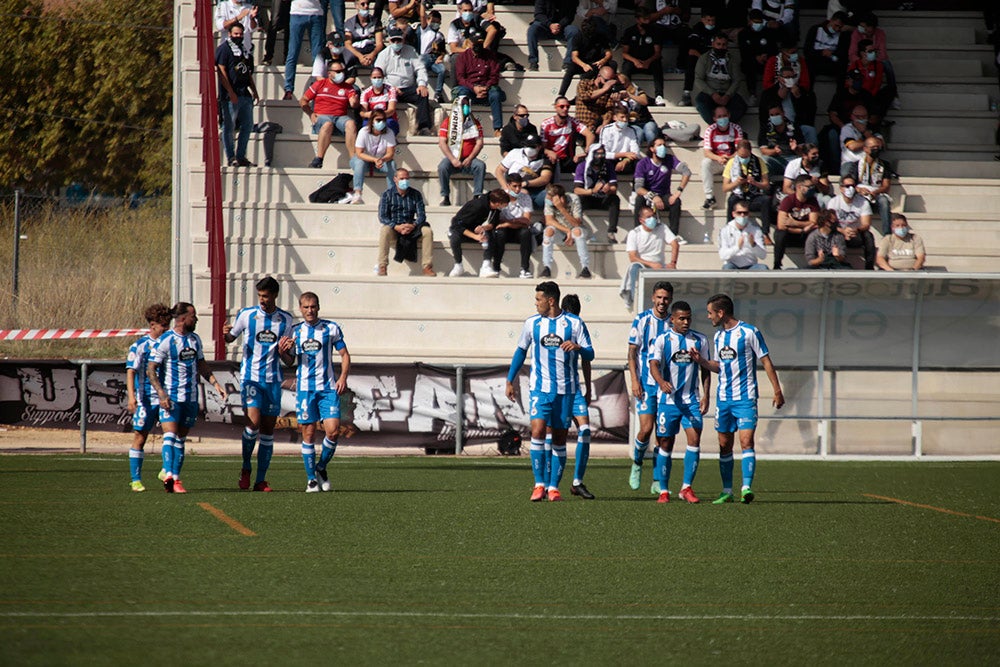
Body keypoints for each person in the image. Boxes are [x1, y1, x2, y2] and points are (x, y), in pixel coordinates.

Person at [689, 293, 784, 504]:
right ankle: (727, 491)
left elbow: (766, 361)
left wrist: (777, 390)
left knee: (746, 441)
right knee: (724, 445)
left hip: (746, 398)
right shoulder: (719, 337)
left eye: (710, 313)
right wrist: (702, 361)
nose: (709, 317)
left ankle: (746, 488)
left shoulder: (749, 332)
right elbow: (719, 367)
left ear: (721, 313)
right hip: (724, 399)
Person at [505, 281, 595, 502]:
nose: (536, 304)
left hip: (566, 391)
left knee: (559, 439)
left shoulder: (574, 324)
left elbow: (591, 354)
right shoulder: (532, 324)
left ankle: (554, 487)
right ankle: (539, 484)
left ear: (550, 300)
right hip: (540, 389)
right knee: (537, 431)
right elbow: (520, 351)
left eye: (538, 299)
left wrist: (579, 348)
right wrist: (510, 379)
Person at [222, 276, 294, 492]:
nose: (262, 300)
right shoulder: (247, 315)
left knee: (268, 430)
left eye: (265, 296)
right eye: (260, 296)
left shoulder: (286, 320)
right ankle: (246, 468)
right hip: (251, 377)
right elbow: (230, 338)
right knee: (252, 423)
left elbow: (290, 359)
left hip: (273, 380)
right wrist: (225, 334)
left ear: (274, 295)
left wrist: (284, 352)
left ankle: (260, 480)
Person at [147, 303, 228, 493]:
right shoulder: (166, 340)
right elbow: (151, 369)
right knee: (169, 436)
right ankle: (169, 475)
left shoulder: (194, 340)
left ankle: (175, 478)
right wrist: (161, 393)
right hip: (172, 398)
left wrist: (216, 384)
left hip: (190, 398)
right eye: (194, 316)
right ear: (183, 318)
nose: (197, 319)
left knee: (181, 440)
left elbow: (201, 364)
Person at [280, 292, 351, 492]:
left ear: (318, 307)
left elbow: (345, 354)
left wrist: (343, 377)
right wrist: (283, 352)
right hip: (305, 390)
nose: (310, 310)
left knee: (333, 431)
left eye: (313, 307)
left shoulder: (331, 328)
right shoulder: (294, 332)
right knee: (308, 434)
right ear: (300, 309)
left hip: (327, 388)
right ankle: (311, 479)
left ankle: (320, 468)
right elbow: (289, 361)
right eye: (306, 307)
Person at [648, 301, 710, 504]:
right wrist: (661, 382)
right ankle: (664, 490)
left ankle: (686, 488)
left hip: (691, 401)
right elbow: (654, 364)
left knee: (694, 440)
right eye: (681, 318)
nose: (686, 322)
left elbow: (706, 369)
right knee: (665, 442)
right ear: (672, 319)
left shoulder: (699, 339)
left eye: (688, 318)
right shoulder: (662, 340)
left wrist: (706, 395)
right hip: (668, 400)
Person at [626, 281, 674, 493]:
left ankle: (656, 480)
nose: (662, 302)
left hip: (667, 387)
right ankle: (637, 463)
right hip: (646, 384)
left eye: (666, 298)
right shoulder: (642, 320)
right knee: (646, 429)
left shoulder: (674, 323)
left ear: (670, 299)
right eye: (659, 297)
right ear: (653, 298)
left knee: (663, 435)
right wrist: (634, 380)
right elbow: (632, 352)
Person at [125, 303, 172, 492]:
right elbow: (130, 371)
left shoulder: (169, 341)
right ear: (153, 325)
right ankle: (135, 479)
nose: (166, 328)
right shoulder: (140, 345)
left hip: (166, 398)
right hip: (146, 399)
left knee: (170, 434)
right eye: (163, 325)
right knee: (140, 437)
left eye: (168, 324)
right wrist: (131, 397)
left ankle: (166, 470)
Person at [559, 293, 595, 499]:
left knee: (585, 430)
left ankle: (577, 482)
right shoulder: (548, 326)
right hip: (553, 392)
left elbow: (587, 359)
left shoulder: (577, 327)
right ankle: (547, 483)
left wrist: (588, 388)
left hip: (574, 391)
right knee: (553, 435)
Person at [374, 26, 433, 136]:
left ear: (403, 39)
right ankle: (381, 124)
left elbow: (420, 69)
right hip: (389, 89)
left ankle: (423, 127)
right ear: (389, 40)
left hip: (407, 89)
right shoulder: (383, 54)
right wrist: (390, 88)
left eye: (399, 40)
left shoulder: (411, 51)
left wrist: (421, 84)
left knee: (423, 94)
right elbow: (377, 74)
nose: (396, 42)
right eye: (393, 40)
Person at [216, 23, 260, 168]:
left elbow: (247, 72)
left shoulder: (244, 51)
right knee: (229, 126)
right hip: (230, 96)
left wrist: (254, 90)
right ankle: (231, 157)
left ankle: (241, 156)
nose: (238, 37)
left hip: (244, 94)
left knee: (247, 126)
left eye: (240, 34)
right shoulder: (224, 49)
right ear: (229, 34)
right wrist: (230, 92)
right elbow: (221, 71)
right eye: (236, 34)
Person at [300, 61, 359, 168]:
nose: (341, 73)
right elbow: (303, 100)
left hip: (340, 117)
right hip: (322, 116)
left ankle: (353, 160)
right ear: (329, 73)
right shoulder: (320, 84)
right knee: (327, 124)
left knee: (351, 124)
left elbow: (353, 103)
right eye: (337, 71)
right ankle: (319, 158)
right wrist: (311, 114)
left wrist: (354, 102)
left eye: (342, 71)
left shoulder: (348, 87)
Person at [377, 168, 435, 276]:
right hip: (394, 228)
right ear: (395, 179)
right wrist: (396, 226)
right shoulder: (387, 194)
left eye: (407, 178)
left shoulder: (416, 194)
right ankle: (382, 266)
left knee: (427, 231)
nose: (405, 181)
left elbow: (421, 215)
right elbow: (382, 216)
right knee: (384, 230)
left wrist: (413, 225)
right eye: (402, 178)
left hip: (411, 226)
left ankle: (427, 266)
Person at [620, 209, 679, 310]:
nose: (652, 219)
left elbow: (675, 244)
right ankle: (629, 296)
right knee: (633, 267)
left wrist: (673, 263)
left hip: (660, 265)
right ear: (641, 220)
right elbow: (632, 257)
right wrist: (651, 264)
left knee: (674, 272)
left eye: (653, 216)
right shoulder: (634, 233)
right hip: (642, 264)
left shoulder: (662, 228)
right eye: (648, 217)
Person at [633, 138, 691, 237]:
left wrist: (678, 191)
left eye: (664, 145)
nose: (663, 147)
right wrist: (653, 196)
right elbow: (638, 187)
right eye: (659, 145)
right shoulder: (643, 163)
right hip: (648, 195)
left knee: (676, 202)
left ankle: (673, 234)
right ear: (652, 148)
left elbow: (686, 172)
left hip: (664, 195)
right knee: (639, 200)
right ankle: (637, 233)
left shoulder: (670, 159)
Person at [453, 28, 506, 136]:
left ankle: (497, 129)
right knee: (462, 94)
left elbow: (494, 76)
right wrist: (474, 88)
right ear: (470, 42)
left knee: (495, 94)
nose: (477, 45)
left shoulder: (490, 56)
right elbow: (461, 78)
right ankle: (464, 124)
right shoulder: (462, 57)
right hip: (469, 88)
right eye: (475, 43)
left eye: (480, 42)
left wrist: (485, 87)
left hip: (486, 88)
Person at [447, 189, 509, 277]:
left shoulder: (494, 210)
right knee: (455, 237)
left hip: (476, 230)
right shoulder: (477, 206)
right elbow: (456, 224)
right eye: (503, 205)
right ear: (497, 203)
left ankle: (486, 266)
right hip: (462, 230)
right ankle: (458, 264)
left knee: (491, 234)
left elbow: (493, 223)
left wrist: (484, 227)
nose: (504, 207)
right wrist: (475, 236)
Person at [437, 95, 486, 207]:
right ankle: (445, 196)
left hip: (469, 160)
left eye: (466, 104)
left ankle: (477, 195)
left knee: (480, 166)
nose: (465, 107)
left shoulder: (475, 122)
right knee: (442, 167)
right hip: (453, 158)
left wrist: (470, 158)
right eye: (462, 105)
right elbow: (442, 143)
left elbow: (479, 143)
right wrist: (453, 159)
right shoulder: (448, 122)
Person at [692, 33, 749, 125]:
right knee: (701, 103)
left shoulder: (732, 60)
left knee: (741, 106)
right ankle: (714, 127)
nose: (721, 47)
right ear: (713, 44)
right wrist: (713, 94)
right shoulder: (704, 58)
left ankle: (727, 127)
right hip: (709, 93)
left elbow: (737, 80)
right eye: (718, 44)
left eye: (724, 44)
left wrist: (728, 95)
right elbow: (698, 79)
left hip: (727, 92)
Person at [541, 183, 592, 280]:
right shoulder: (548, 202)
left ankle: (585, 268)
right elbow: (549, 221)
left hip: (577, 229)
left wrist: (561, 208)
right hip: (561, 230)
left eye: (551, 198)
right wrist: (567, 230)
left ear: (560, 198)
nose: (549, 201)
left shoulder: (574, 199)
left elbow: (577, 223)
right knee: (548, 231)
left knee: (577, 232)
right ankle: (547, 267)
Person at [721, 139, 772, 234]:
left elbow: (766, 186)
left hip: (753, 195)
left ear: (750, 152)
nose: (744, 158)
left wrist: (755, 182)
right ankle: (730, 231)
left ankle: (765, 233)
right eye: (741, 156)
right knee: (731, 200)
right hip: (738, 196)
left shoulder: (759, 161)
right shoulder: (731, 163)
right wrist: (737, 182)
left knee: (766, 200)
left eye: (746, 156)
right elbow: (725, 188)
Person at [573, 143, 620, 246]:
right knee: (577, 199)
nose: (600, 157)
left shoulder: (608, 166)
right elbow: (577, 190)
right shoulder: (582, 166)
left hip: (602, 198)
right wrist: (592, 191)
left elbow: (614, 187)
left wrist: (608, 189)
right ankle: (577, 229)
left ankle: (611, 232)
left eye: (602, 154)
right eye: (597, 154)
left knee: (615, 199)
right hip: (588, 198)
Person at [826, 174, 875, 269]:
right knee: (832, 234)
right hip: (838, 233)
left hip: (855, 234)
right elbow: (829, 224)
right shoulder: (834, 202)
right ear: (841, 188)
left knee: (868, 235)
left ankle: (869, 267)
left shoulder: (863, 202)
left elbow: (866, 224)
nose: (850, 188)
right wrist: (842, 231)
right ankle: (834, 264)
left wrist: (856, 229)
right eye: (847, 186)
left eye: (853, 186)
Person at [495, 133, 555, 211]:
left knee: (552, 196)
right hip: (513, 189)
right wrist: (506, 188)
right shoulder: (514, 153)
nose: (528, 148)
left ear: (539, 147)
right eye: (526, 145)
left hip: (535, 193)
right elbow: (499, 170)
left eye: (532, 146)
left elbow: (545, 178)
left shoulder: (544, 159)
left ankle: (543, 221)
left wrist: (527, 183)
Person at [701, 106, 744, 210]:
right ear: (714, 118)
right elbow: (707, 152)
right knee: (705, 163)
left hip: (732, 161)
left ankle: (737, 196)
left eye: (724, 115)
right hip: (717, 161)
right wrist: (719, 158)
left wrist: (729, 157)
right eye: (719, 116)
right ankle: (710, 198)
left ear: (729, 115)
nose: (722, 118)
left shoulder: (736, 128)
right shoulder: (710, 130)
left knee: (740, 161)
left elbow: (740, 151)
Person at [492, 175, 536, 279]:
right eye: (514, 186)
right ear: (508, 185)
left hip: (519, 230)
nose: (517, 189)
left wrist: (509, 222)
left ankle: (524, 269)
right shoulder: (501, 197)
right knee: (500, 232)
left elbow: (526, 221)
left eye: (519, 186)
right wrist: (517, 220)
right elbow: (498, 220)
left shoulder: (525, 197)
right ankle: (496, 267)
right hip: (504, 230)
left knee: (526, 233)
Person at [349, 109, 396, 204]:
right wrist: (374, 159)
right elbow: (359, 153)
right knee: (359, 162)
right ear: (372, 121)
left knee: (392, 165)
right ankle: (357, 193)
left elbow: (390, 153)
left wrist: (382, 159)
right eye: (378, 120)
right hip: (365, 160)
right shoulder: (363, 131)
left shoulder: (389, 132)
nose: (381, 122)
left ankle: (393, 194)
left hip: (380, 161)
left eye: (383, 120)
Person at [846, 136, 892, 234]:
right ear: (865, 149)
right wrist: (860, 190)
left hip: (876, 195)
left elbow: (886, 186)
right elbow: (851, 183)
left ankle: (887, 235)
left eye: (877, 147)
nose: (876, 149)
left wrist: (875, 192)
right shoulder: (856, 165)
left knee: (884, 201)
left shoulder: (885, 165)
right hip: (861, 195)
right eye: (873, 147)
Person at [559, 17, 614, 98]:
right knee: (570, 70)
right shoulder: (578, 37)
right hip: (581, 62)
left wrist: (603, 60)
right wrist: (583, 65)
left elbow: (609, 53)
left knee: (589, 74)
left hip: (595, 62)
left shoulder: (601, 37)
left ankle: (579, 96)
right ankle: (561, 94)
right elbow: (574, 57)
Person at [540, 96, 595, 176]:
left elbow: (590, 135)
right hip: (552, 159)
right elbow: (542, 147)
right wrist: (549, 152)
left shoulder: (573, 121)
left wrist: (587, 152)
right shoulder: (546, 124)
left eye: (567, 106)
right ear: (555, 107)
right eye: (562, 106)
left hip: (568, 159)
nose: (565, 109)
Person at [774, 173, 820, 269]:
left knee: (817, 232)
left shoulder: (813, 201)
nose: (811, 189)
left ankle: (815, 263)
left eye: (812, 186)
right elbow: (781, 225)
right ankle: (777, 264)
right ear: (799, 187)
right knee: (780, 233)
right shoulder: (788, 200)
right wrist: (801, 229)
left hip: (804, 234)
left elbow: (814, 222)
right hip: (790, 234)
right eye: (809, 186)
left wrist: (796, 223)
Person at [621, 8, 666, 106]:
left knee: (657, 65)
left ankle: (659, 96)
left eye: (648, 19)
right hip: (634, 63)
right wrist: (635, 61)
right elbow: (624, 53)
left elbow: (657, 52)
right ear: (638, 19)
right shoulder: (629, 32)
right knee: (626, 66)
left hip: (649, 63)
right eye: (644, 19)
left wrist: (648, 62)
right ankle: (625, 93)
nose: (647, 21)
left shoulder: (655, 31)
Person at [283, 0, 326, 100]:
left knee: (318, 55)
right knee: (293, 53)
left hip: (316, 13)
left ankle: (317, 86)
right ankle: (288, 89)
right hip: (297, 12)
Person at [526, 0, 581, 72]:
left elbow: (570, 16)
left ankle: (568, 63)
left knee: (574, 31)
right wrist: (550, 25)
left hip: (562, 28)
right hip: (544, 26)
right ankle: (533, 62)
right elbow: (538, 14)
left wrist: (559, 25)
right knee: (532, 30)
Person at [738, 9, 781, 101]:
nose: (758, 24)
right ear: (750, 21)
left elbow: (774, 50)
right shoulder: (743, 34)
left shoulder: (768, 32)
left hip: (766, 60)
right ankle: (752, 93)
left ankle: (772, 93)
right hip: (751, 61)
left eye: (760, 22)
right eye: (756, 22)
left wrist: (766, 56)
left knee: (775, 64)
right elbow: (744, 52)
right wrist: (755, 57)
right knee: (748, 65)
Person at [678, 9, 718, 107]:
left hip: (715, 59)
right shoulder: (697, 30)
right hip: (701, 59)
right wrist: (704, 59)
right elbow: (692, 51)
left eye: (713, 20)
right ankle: (686, 94)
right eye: (708, 20)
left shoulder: (717, 31)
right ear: (703, 20)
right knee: (691, 60)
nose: (711, 23)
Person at [573, 65, 623, 135]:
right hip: (582, 124)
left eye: (610, 81)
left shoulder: (609, 91)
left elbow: (609, 110)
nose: (607, 84)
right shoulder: (584, 83)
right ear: (599, 76)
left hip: (596, 125)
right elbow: (584, 96)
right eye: (606, 80)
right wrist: (603, 89)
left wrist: (603, 125)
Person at [719, 201, 769, 270]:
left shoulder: (756, 230)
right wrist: (737, 247)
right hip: (733, 265)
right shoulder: (725, 230)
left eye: (745, 213)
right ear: (733, 214)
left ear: (748, 214)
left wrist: (754, 245)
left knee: (763, 268)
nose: (742, 215)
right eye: (739, 213)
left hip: (751, 265)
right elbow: (723, 255)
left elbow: (763, 255)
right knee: (727, 268)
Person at [780, 142, 831, 207]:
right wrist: (800, 195)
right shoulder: (793, 164)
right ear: (804, 155)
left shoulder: (821, 165)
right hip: (797, 195)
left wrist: (817, 183)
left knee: (826, 199)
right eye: (813, 154)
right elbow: (786, 188)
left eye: (817, 153)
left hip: (815, 195)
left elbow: (826, 190)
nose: (817, 156)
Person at [758, 104, 803, 175]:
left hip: (792, 159)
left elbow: (802, 152)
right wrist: (774, 151)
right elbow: (763, 150)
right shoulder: (766, 128)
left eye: (777, 114)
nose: (775, 117)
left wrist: (795, 148)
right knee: (764, 160)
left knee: (802, 163)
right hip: (775, 159)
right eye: (772, 115)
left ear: (783, 113)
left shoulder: (794, 127)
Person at [804, 11, 848, 80]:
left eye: (840, 27)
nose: (837, 29)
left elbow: (843, 53)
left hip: (831, 62)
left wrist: (832, 54)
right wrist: (822, 52)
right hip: (815, 60)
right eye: (836, 25)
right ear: (831, 20)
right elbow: (807, 50)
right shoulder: (815, 29)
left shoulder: (842, 35)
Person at [598, 107, 641, 176]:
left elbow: (636, 153)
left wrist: (625, 161)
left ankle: (637, 186)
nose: (625, 120)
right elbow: (604, 153)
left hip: (626, 160)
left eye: (626, 117)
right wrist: (624, 154)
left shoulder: (631, 130)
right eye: (622, 117)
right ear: (615, 117)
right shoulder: (606, 130)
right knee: (603, 162)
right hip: (611, 159)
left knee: (639, 164)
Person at [417, 9, 448, 103]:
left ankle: (438, 93)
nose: (435, 24)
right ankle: (421, 89)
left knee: (442, 70)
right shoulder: (425, 30)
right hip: (425, 56)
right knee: (421, 70)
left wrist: (440, 57)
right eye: (433, 21)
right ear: (428, 20)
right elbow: (422, 15)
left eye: (437, 22)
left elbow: (442, 51)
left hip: (434, 59)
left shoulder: (440, 36)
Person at [344, 0, 385, 68]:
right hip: (357, 49)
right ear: (356, 6)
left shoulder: (376, 21)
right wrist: (360, 56)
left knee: (384, 52)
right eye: (363, 4)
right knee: (346, 54)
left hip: (371, 48)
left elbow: (379, 44)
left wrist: (371, 55)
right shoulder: (349, 22)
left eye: (368, 4)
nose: (366, 6)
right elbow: (347, 44)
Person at [359, 68, 400, 135]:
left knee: (390, 124)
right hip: (372, 119)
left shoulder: (390, 89)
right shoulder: (365, 93)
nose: (377, 79)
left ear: (383, 77)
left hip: (387, 118)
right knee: (365, 126)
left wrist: (379, 116)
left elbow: (391, 110)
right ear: (370, 78)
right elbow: (363, 112)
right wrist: (371, 116)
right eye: (374, 77)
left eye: (379, 77)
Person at [838, 104, 873, 178]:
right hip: (851, 162)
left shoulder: (872, 128)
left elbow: (879, 144)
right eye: (858, 117)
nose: (861, 119)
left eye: (864, 117)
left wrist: (865, 132)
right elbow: (852, 146)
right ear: (852, 116)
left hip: (869, 162)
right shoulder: (847, 129)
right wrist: (870, 143)